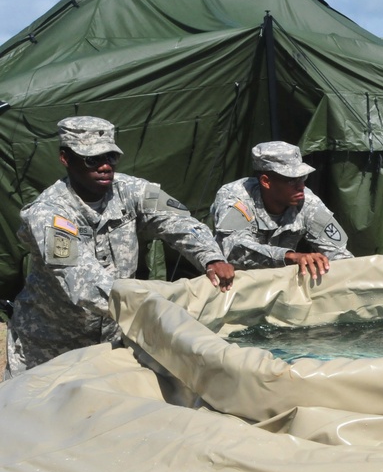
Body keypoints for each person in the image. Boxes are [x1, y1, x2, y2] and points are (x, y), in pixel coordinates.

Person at [4, 116, 235, 378]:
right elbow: (83, 281)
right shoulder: (49, 213)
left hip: (113, 340)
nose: (104, 167)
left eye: (111, 157)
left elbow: (179, 222)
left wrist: (211, 257)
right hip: (52, 346)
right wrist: (149, 302)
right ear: (65, 158)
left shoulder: (134, 190)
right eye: (92, 159)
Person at [211, 141, 352, 279]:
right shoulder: (235, 197)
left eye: (303, 177)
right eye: (292, 180)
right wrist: (290, 256)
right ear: (266, 181)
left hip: (283, 285)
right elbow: (235, 250)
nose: (301, 186)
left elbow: (340, 255)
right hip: (234, 285)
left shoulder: (307, 202)